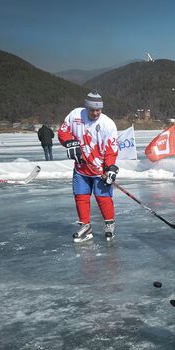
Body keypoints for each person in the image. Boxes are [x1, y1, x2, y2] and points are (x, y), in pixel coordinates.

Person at [58, 92, 119, 242]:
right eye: (93, 110)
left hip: (100, 170)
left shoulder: (108, 124)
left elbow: (111, 149)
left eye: (99, 109)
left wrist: (110, 168)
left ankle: (109, 224)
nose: (96, 112)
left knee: (103, 197)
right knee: (80, 196)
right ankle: (85, 226)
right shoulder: (75, 115)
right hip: (81, 168)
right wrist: (69, 143)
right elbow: (63, 132)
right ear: (87, 107)